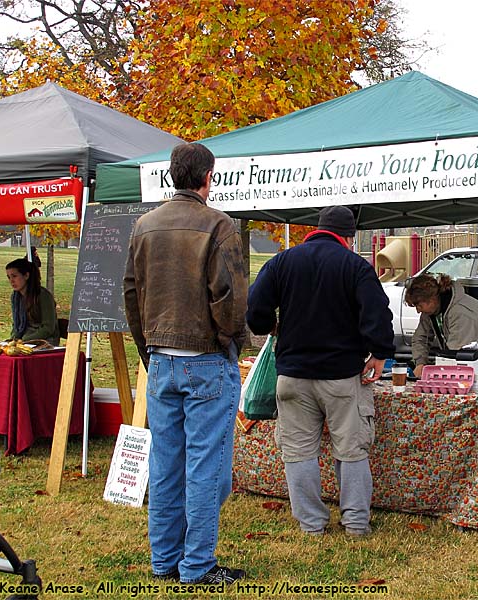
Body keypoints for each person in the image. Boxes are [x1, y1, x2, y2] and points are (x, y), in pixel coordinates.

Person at [123, 142, 248, 585]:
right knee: (204, 466)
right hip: (206, 360)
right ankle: (196, 566)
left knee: (167, 464)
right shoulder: (218, 225)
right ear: (208, 177)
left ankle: (165, 561)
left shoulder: (144, 226)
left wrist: (149, 350)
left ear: (172, 176)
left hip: (161, 360)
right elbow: (230, 299)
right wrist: (229, 343)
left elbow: (132, 295)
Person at [246, 205, 394, 537]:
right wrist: (380, 353)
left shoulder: (283, 261)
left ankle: (311, 525)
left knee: (298, 453)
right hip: (341, 376)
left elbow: (254, 307)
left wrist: (270, 326)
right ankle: (356, 523)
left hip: (292, 377)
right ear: (348, 238)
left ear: (316, 229)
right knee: (351, 449)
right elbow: (378, 315)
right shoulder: (355, 266)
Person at [405, 273, 478, 377]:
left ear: (432, 299)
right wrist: (420, 363)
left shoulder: (461, 312)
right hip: (470, 353)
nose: (418, 310)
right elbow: (421, 338)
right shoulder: (429, 311)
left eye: (419, 305)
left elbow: (457, 351)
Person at [6, 257, 60, 345]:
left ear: (26, 276)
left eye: (14, 276)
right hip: (24, 340)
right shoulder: (16, 297)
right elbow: (16, 324)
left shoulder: (43, 296)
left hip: (45, 341)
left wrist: (25, 340)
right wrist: (13, 339)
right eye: (9, 277)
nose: (11, 281)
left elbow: (48, 328)